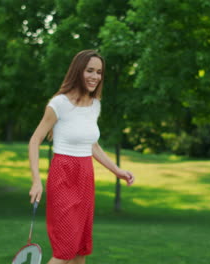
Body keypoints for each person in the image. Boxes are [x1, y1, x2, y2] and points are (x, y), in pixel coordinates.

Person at [28, 49, 135, 264]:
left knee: (80, 250)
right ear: (78, 71)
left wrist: (117, 171)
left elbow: (92, 145)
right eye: (90, 70)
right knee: (64, 251)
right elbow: (34, 140)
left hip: (86, 178)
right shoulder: (59, 104)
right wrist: (36, 181)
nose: (95, 76)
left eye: (99, 72)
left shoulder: (95, 105)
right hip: (63, 175)